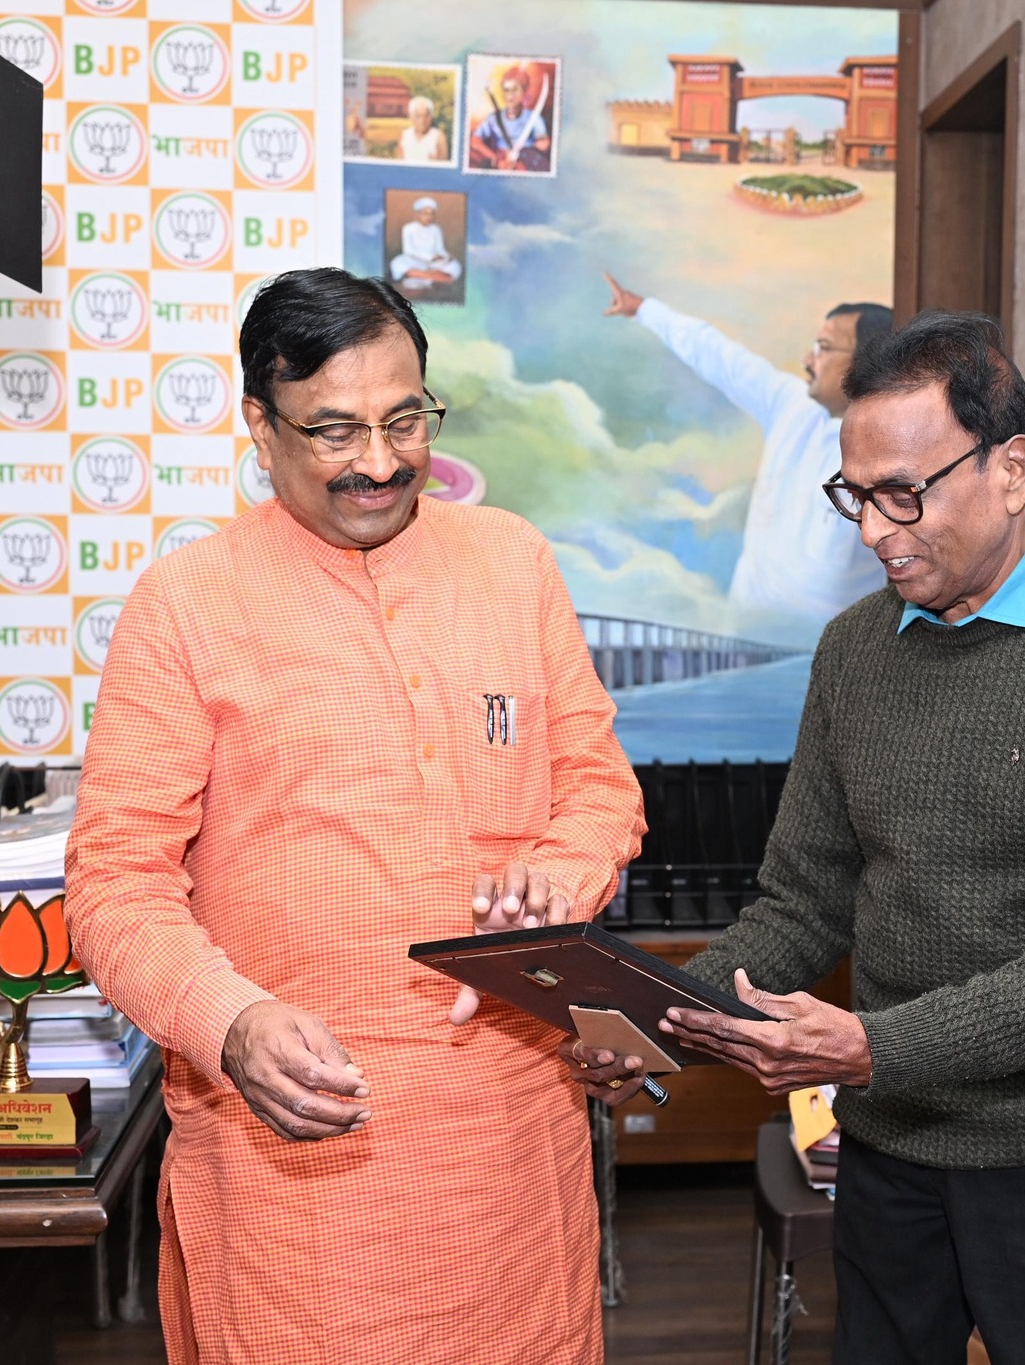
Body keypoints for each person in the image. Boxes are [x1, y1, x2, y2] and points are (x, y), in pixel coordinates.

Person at [567, 312, 1025, 1363]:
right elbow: (802, 902)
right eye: (855, 495)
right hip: (891, 1139)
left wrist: (875, 1046)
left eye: (903, 493)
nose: (873, 530)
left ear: (1011, 469)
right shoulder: (852, 650)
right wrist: (657, 1022)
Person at [66, 268, 644, 1364]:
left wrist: (563, 878)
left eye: (405, 420)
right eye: (334, 430)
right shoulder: (185, 606)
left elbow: (598, 785)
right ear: (260, 425)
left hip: (512, 1149)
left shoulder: (512, 562)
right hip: (297, 1163)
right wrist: (229, 1021)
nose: (379, 461)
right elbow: (114, 883)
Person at [603, 273, 893, 623]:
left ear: (867, 361)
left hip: (835, 647)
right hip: (745, 636)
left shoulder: (897, 451)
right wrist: (643, 310)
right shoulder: (791, 405)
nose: (808, 359)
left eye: (824, 347)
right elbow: (718, 355)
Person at [469, 64, 552, 173]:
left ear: (524, 93)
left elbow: (544, 143)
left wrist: (523, 150)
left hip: (526, 164)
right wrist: (496, 158)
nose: (510, 95)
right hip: (500, 164)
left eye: (515, 90)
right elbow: (475, 141)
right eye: (506, 90)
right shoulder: (493, 119)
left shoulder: (533, 118)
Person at [389, 197, 462, 293]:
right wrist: (430, 257)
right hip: (413, 259)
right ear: (418, 214)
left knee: (455, 265)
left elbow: (440, 248)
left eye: (432, 214)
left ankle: (420, 277)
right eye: (426, 214)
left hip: (434, 262)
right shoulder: (408, 228)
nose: (429, 217)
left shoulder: (436, 229)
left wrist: (445, 256)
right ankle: (432, 277)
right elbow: (408, 251)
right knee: (397, 263)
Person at [399, 95, 449, 163]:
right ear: (412, 117)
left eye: (426, 116)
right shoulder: (405, 135)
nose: (422, 121)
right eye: (418, 116)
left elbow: (443, 164)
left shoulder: (438, 137)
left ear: (431, 116)